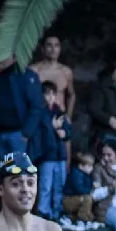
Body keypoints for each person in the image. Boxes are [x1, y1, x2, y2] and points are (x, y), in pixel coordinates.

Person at [35, 81, 71, 221]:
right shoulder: (40, 113)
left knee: (59, 186)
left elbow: (68, 131)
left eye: (52, 94)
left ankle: (58, 212)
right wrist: (54, 127)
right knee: (45, 186)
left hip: (60, 155)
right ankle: (44, 212)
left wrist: (64, 132)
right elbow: (40, 134)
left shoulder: (60, 112)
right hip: (47, 156)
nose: (50, 97)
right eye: (47, 93)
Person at [30, 36, 76, 119]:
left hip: (59, 117)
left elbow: (71, 95)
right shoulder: (33, 70)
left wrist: (68, 117)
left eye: (56, 45)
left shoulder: (66, 71)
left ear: (60, 49)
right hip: (38, 117)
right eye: (49, 45)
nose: (53, 49)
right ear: (42, 49)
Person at [63, 151, 96, 224]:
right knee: (87, 199)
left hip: (76, 199)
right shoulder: (76, 174)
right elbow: (79, 189)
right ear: (81, 166)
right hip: (68, 200)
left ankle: (72, 217)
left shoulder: (87, 175)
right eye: (89, 166)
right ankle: (82, 219)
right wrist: (91, 190)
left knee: (91, 215)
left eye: (92, 166)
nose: (91, 168)